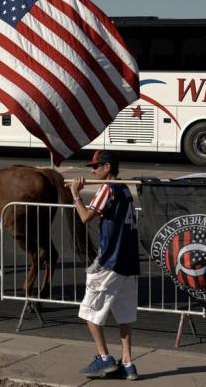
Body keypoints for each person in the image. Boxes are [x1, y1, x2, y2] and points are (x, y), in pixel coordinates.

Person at [70, 150, 140, 380]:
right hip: (129, 262)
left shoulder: (107, 189)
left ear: (107, 167)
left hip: (110, 261)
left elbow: (85, 217)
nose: (92, 171)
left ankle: (104, 358)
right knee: (124, 315)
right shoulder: (124, 189)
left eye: (96, 166)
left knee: (89, 312)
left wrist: (76, 195)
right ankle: (128, 363)